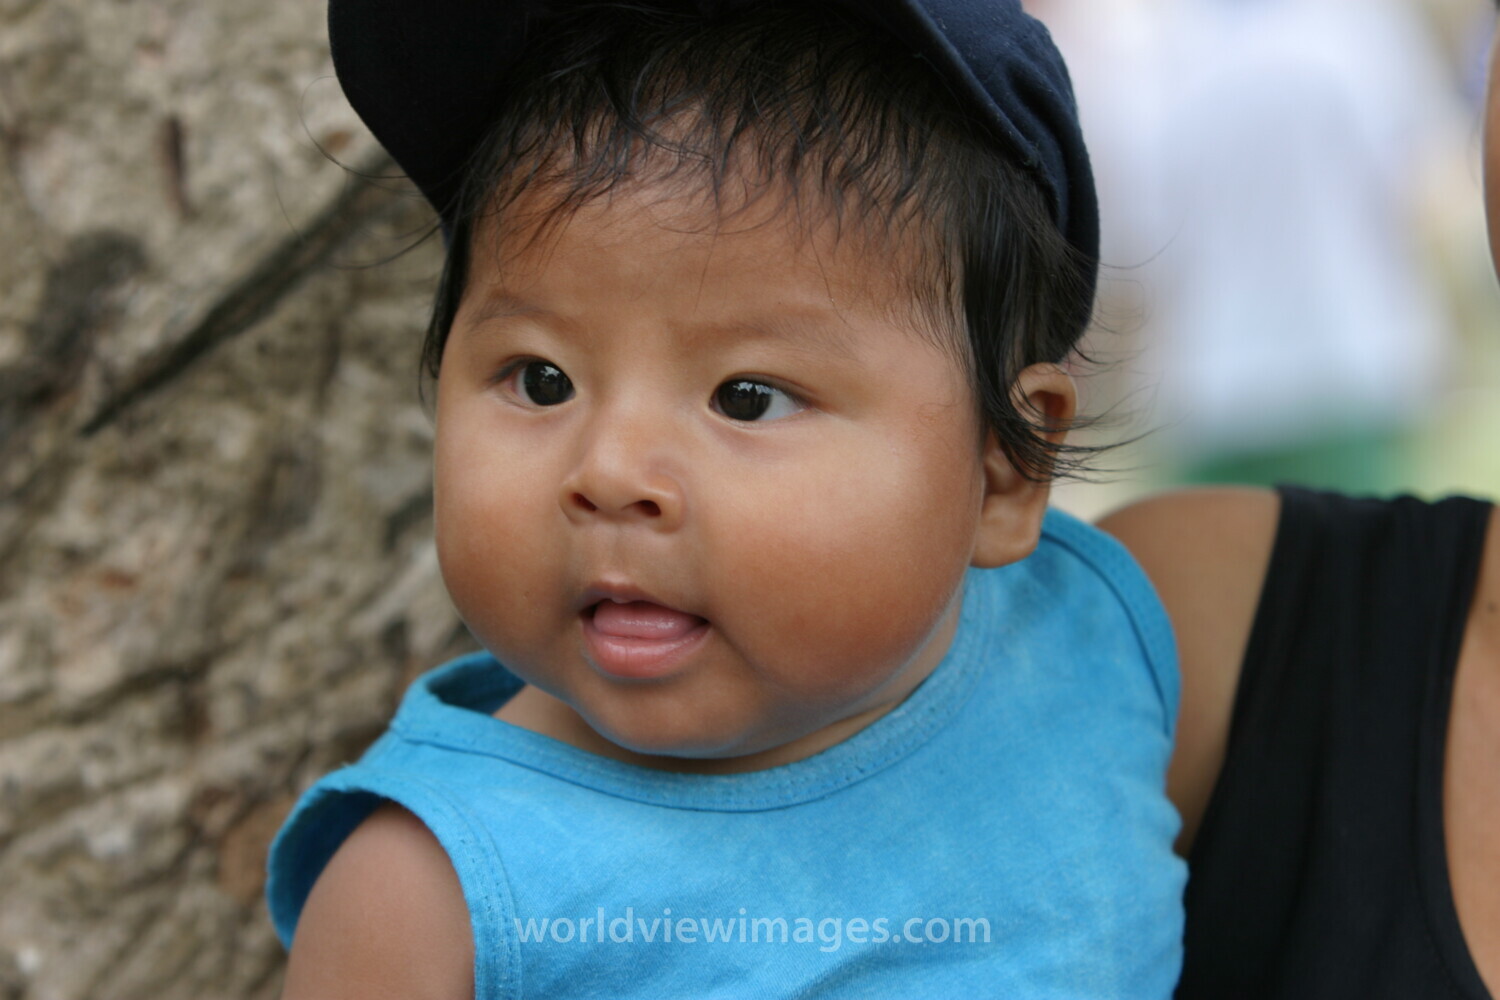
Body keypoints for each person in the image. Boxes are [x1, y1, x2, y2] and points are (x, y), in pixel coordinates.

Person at [263, 2, 1186, 997]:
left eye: (747, 398)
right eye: (541, 379)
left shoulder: (1090, 648)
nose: (611, 470)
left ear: (1002, 471)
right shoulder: (429, 896)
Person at [1097, 11, 1500, 997]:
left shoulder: (1175, 54)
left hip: (1225, 375)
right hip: (1340, 359)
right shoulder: (1188, 622)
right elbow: (1406, 177)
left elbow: (1138, 226)